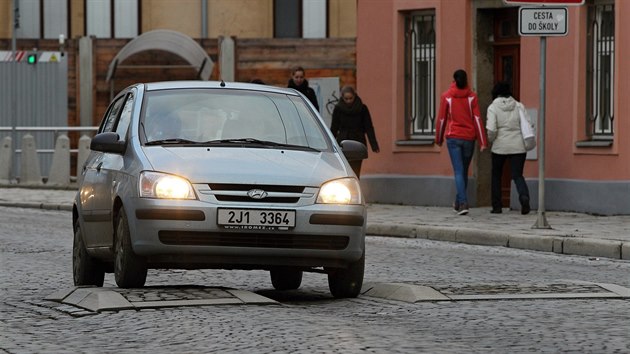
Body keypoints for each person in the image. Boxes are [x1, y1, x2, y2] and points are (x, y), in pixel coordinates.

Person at [435, 69, 488, 216]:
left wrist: (438, 139)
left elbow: (441, 119)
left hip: (453, 138)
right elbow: (477, 119)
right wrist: (482, 141)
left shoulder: (447, 97)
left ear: (454, 80)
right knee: (463, 171)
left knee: (458, 171)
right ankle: (458, 202)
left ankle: (463, 202)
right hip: (469, 138)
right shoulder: (472, 97)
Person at [486, 81, 532, 215]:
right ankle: (524, 197)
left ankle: (497, 206)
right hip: (518, 146)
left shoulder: (492, 108)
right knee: (517, 175)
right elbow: (528, 123)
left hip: (499, 147)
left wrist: (492, 140)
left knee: (496, 175)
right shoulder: (519, 106)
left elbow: (492, 129)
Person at [330, 85, 380, 177]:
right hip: (343, 143)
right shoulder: (338, 109)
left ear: (355, 96)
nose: (349, 101)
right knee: (344, 170)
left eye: (350, 98)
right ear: (342, 97)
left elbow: (369, 127)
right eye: (346, 99)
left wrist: (374, 145)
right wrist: (330, 144)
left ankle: (355, 188)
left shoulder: (362, 108)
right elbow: (334, 127)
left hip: (358, 142)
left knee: (356, 171)